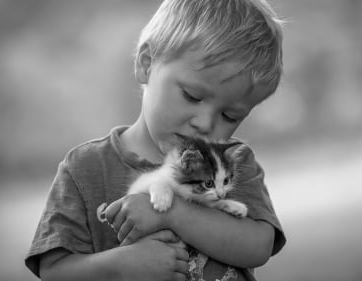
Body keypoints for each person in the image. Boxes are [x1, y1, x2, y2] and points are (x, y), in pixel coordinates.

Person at [25, 0, 287, 280]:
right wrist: (121, 265)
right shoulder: (85, 168)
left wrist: (172, 213)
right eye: (192, 96)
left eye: (229, 115)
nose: (205, 123)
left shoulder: (232, 160)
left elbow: (258, 247)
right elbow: (53, 271)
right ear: (146, 64)